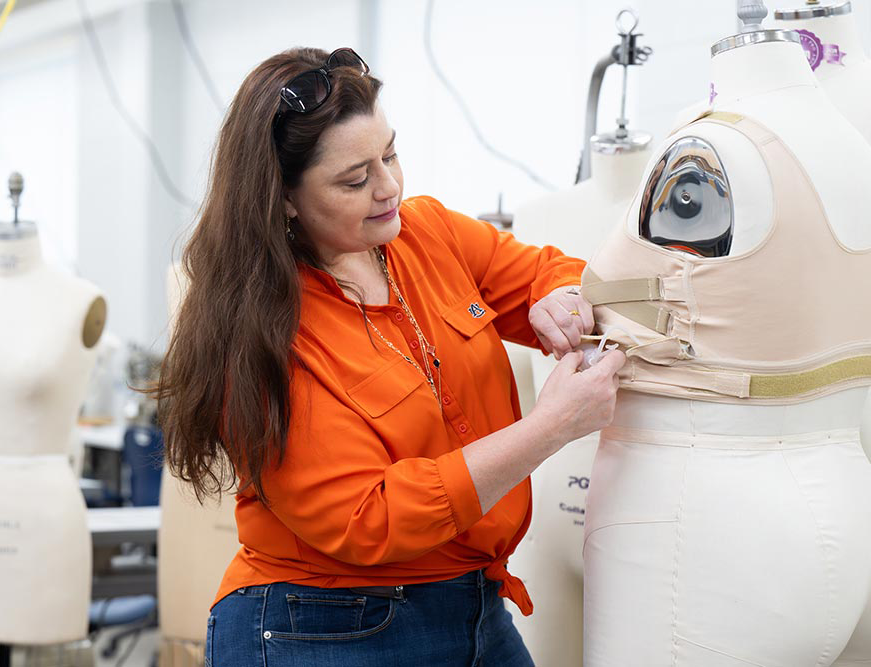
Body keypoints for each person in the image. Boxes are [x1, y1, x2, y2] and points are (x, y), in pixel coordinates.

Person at [156, 46, 625, 666]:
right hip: (323, 625)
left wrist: (559, 297)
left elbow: (546, 270)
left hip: (474, 606)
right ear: (285, 197)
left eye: (392, 154)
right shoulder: (263, 333)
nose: (389, 187)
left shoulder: (427, 232)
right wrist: (550, 427)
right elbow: (368, 516)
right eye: (355, 179)